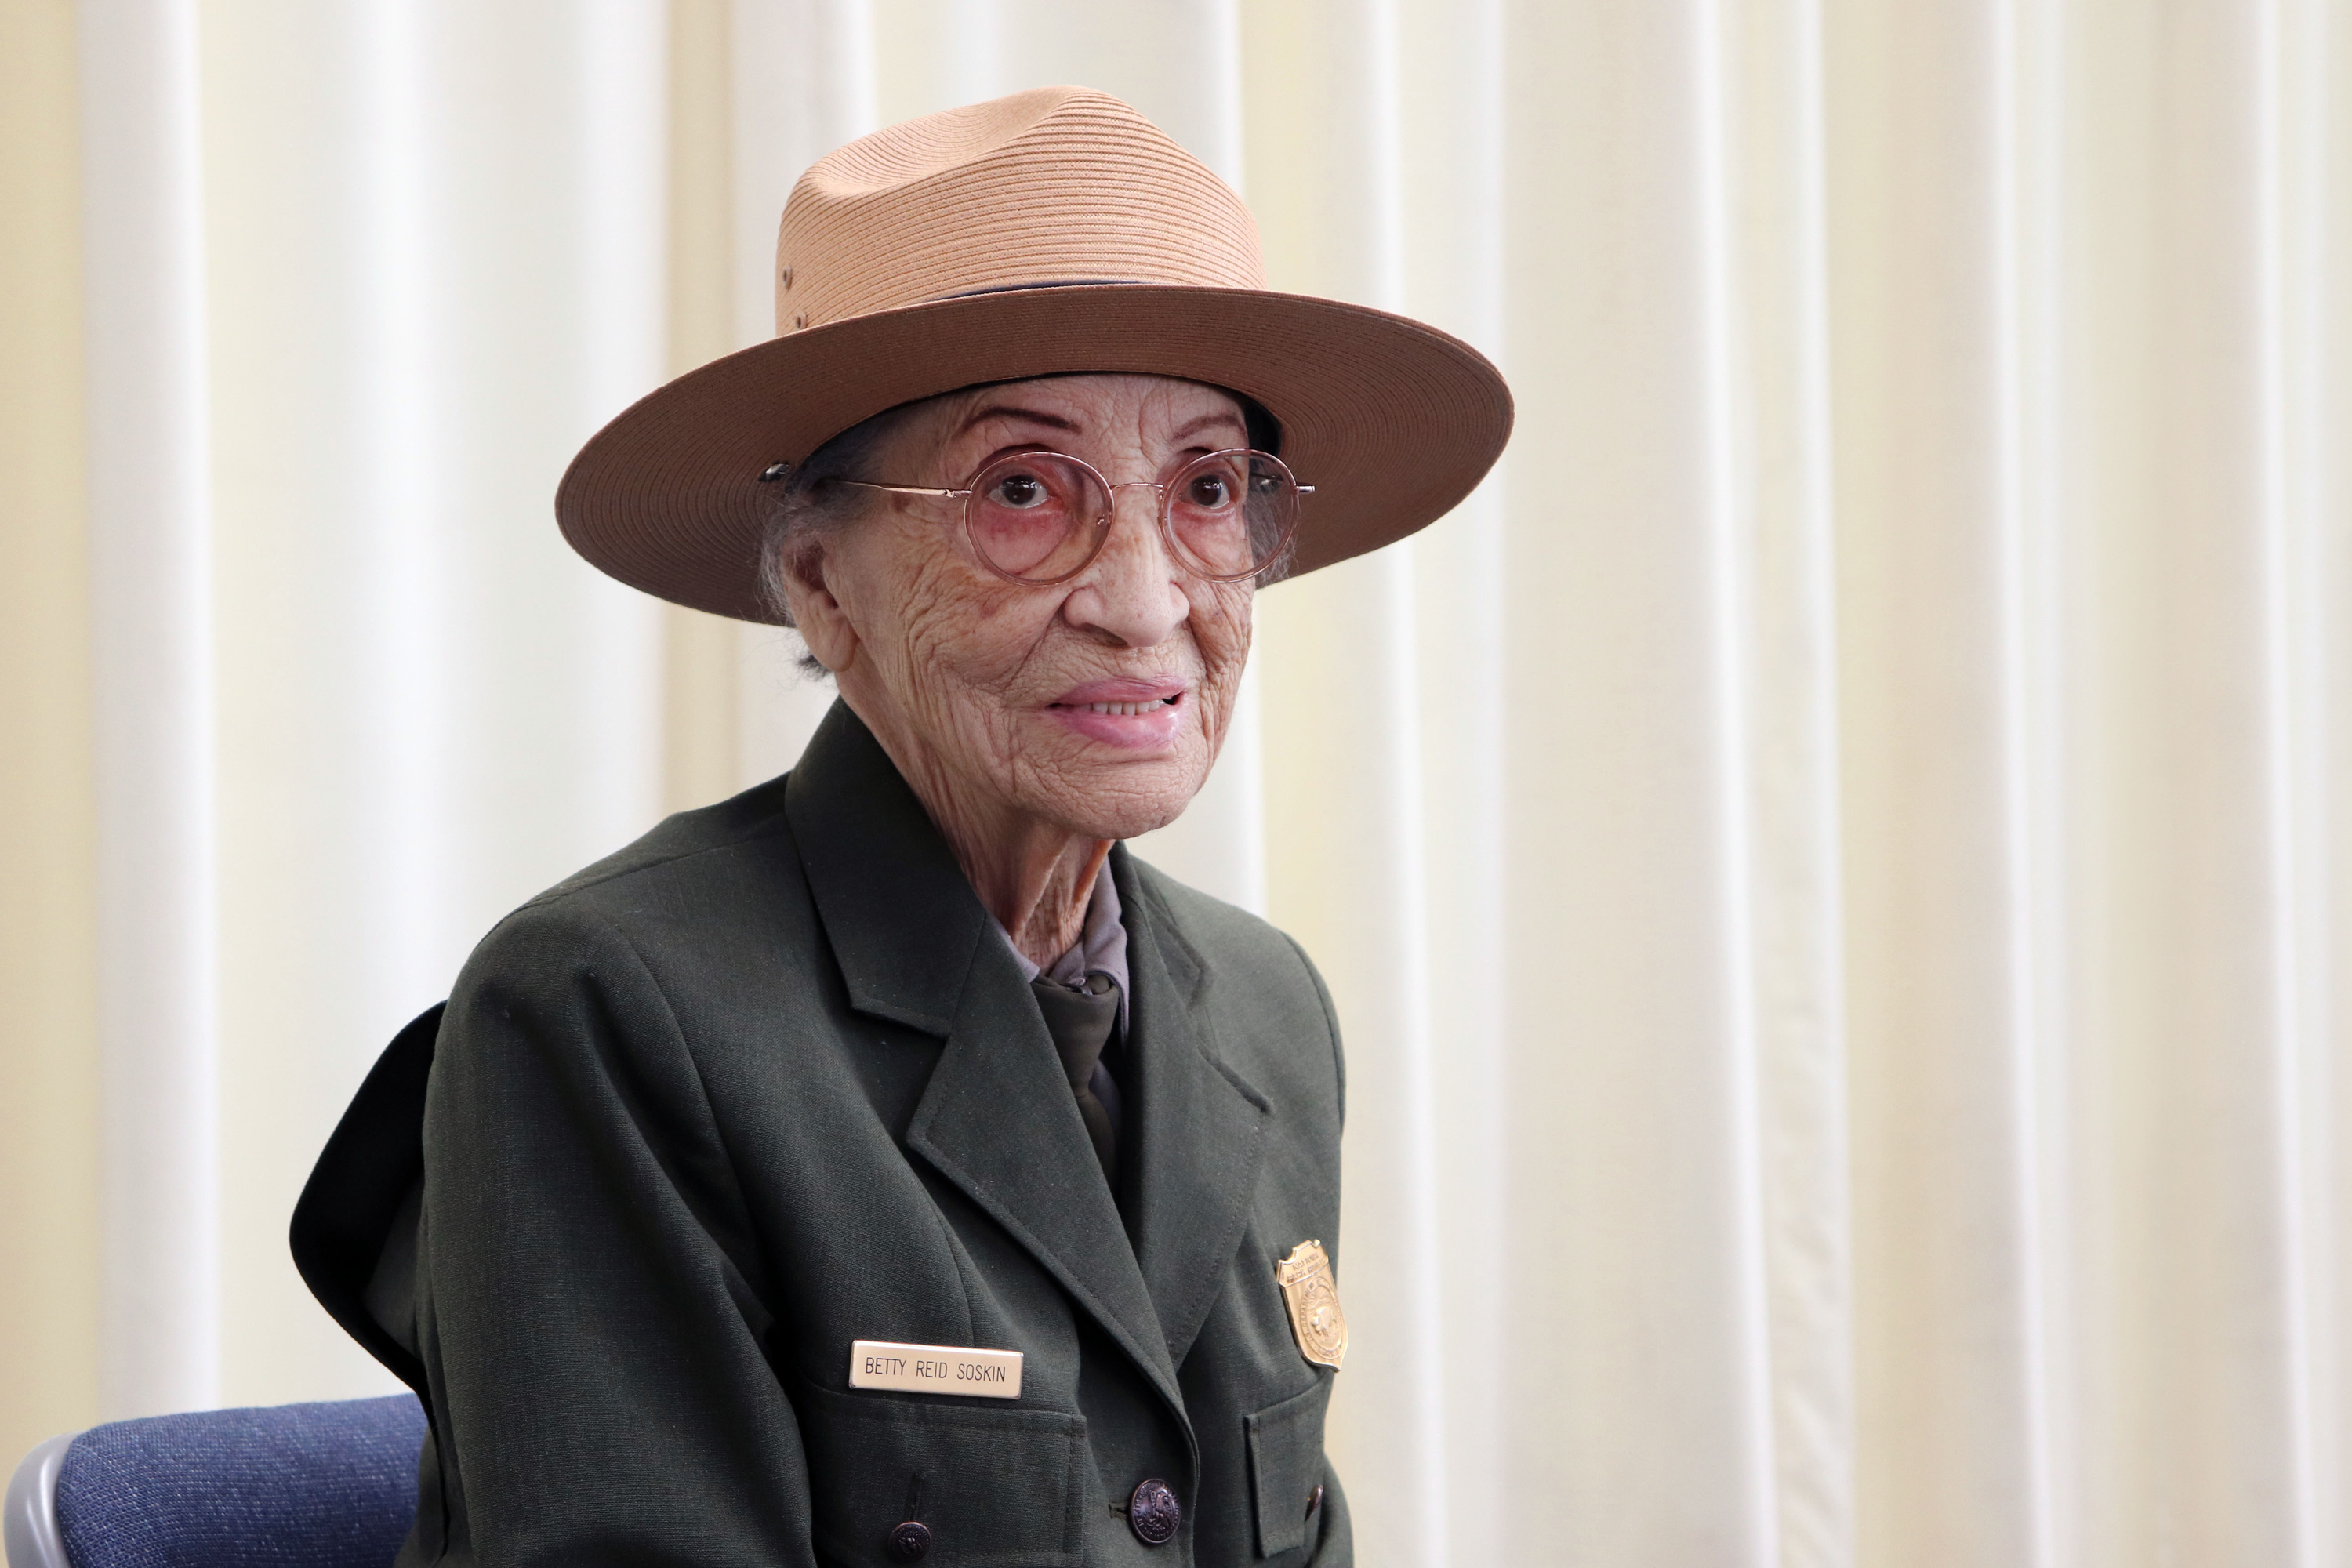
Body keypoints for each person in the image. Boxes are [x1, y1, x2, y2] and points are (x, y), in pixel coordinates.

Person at [292, 85, 1509, 1567]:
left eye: (1206, 489)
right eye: (1023, 490)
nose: (1145, 604)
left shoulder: (1268, 1009)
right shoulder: (612, 1008)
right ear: (823, 586)